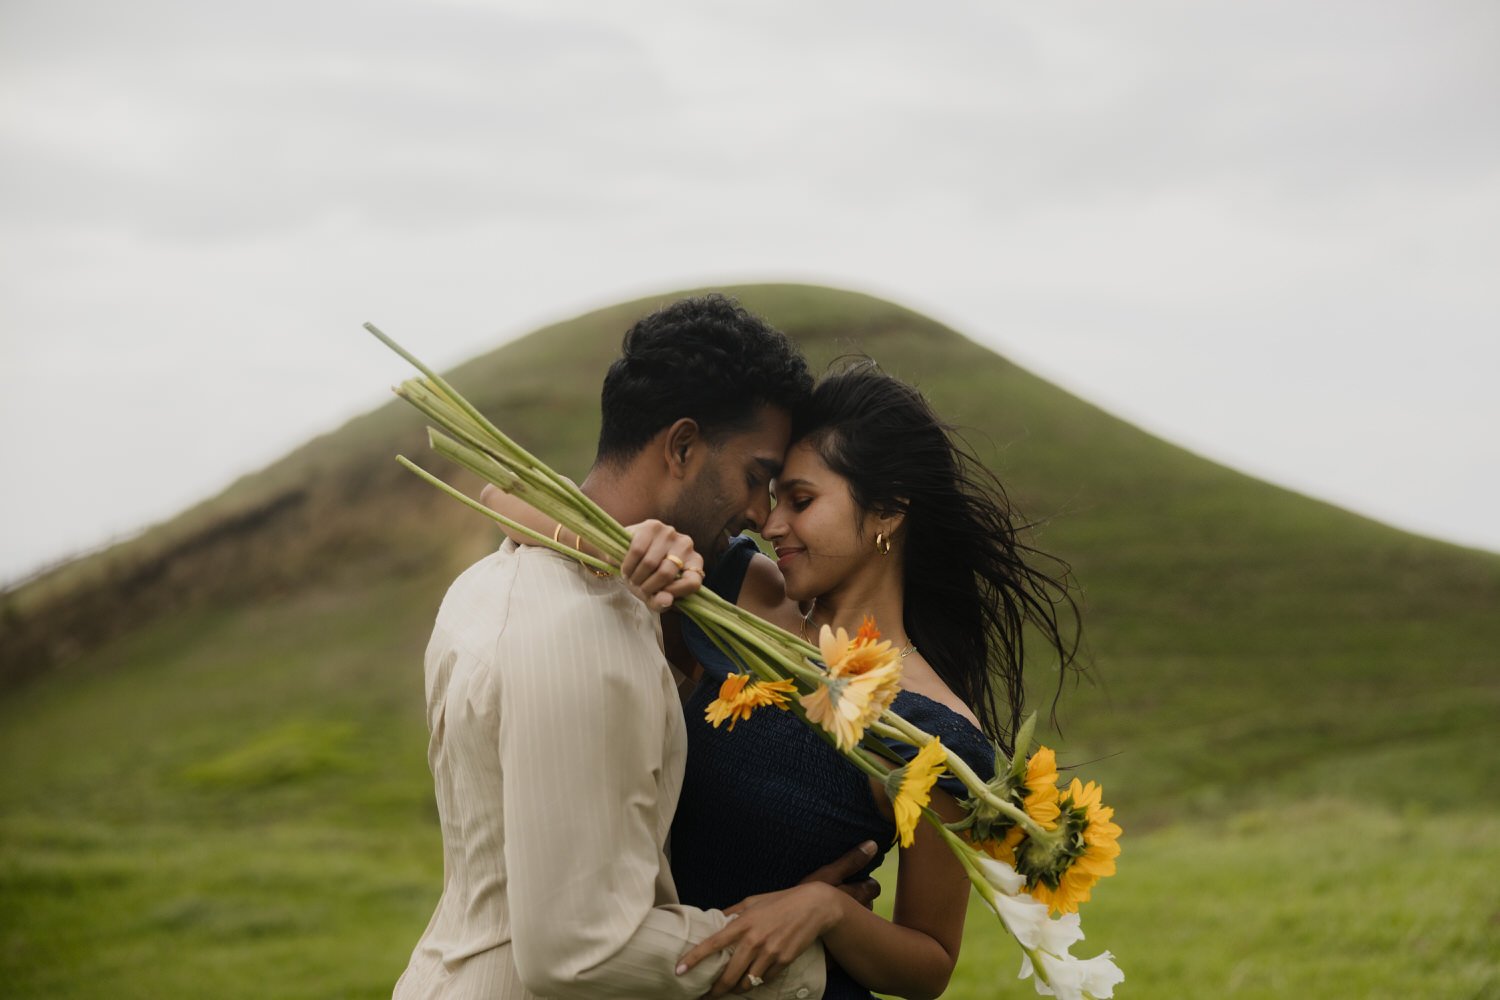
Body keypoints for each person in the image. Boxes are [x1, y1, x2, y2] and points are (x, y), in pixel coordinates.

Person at [486, 360, 1079, 999]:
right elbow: (502, 497)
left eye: (801, 501)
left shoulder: (934, 734)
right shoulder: (741, 600)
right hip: (638, 972)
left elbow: (929, 962)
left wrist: (828, 912)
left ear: (887, 511)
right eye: (774, 501)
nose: (770, 525)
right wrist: (624, 543)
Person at [394, 294, 880, 1000]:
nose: (758, 513)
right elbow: (580, 953)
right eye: (756, 476)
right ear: (682, 447)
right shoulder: (585, 631)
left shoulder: (492, 579)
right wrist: (802, 960)